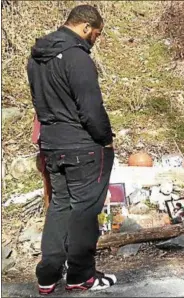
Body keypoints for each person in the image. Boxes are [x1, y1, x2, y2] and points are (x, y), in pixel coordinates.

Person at [27, 5, 116, 295]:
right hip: (81, 146)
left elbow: (40, 104)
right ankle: (80, 275)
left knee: (59, 207)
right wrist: (105, 139)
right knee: (84, 211)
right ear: (86, 27)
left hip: (51, 145)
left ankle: (48, 275)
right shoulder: (77, 58)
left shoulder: (37, 57)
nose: (96, 40)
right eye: (97, 34)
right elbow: (90, 108)